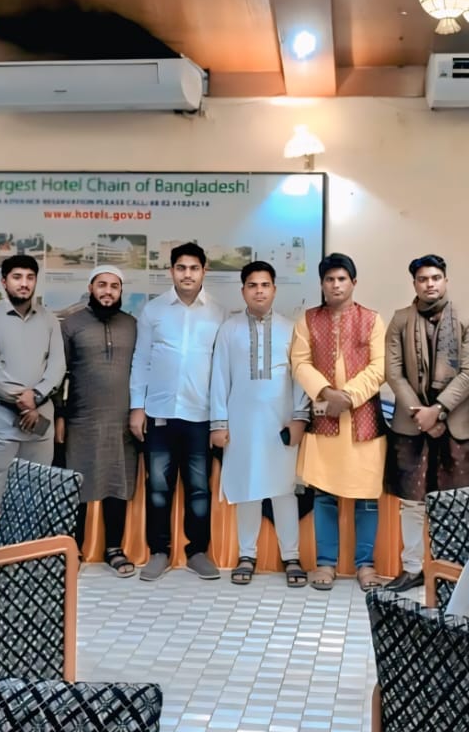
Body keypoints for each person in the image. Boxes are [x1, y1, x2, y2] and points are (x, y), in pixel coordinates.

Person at [384, 254, 469, 592]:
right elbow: (394, 373)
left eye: (436, 278)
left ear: (446, 280)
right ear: (414, 283)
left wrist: (438, 411)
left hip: (459, 425)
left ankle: (454, 574)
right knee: (412, 502)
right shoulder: (400, 319)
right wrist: (422, 415)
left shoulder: (468, 318)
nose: (430, 284)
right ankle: (412, 568)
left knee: (456, 502)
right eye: (423, 279)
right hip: (412, 425)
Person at [290, 253, 388, 592]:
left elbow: (379, 367)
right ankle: (325, 564)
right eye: (329, 279)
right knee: (324, 495)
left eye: (342, 279)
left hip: (363, 422)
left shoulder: (372, 319)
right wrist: (326, 393)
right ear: (321, 284)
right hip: (324, 420)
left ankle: (366, 566)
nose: (336, 285)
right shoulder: (308, 320)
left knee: (366, 498)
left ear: (353, 282)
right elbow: (300, 363)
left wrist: (348, 396)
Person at [130, 242, 225, 581]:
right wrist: (137, 407)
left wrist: (220, 418)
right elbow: (141, 360)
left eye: (194, 268)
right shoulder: (153, 311)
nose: (187, 274)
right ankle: (159, 552)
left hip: (201, 415)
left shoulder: (218, 313)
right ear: (171, 271)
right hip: (160, 413)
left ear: (204, 271)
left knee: (199, 489)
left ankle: (197, 551)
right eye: (181, 268)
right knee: (158, 487)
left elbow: (222, 371)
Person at [210, 261, 309, 587]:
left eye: (265, 285)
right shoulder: (229, 330)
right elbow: (219, 379)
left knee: (284, 490)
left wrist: (299, 418)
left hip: (280, 424)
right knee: (247, 488)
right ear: (243, 291)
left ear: (274, 290)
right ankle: (247, 555)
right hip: (241, 424)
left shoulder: (291, 329)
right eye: (252, 285)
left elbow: (300, 378)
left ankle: (291, 556)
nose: (259, 291)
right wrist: (218, 424)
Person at [61, 265, 141, 576]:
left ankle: (114, 549)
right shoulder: (71, 324)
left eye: (114, 286)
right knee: (78, 483)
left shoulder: (132, 325)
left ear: (121, 291)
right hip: (82, 417)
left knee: (116, 482)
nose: (108, 291)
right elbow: (60, 374)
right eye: (102, 285)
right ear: (90, 288)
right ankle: (74, 549)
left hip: (122, 420)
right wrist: (60, 416)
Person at [0, 254, 66, 515]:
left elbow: (57, 366)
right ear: (4, 282)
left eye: (30, 277)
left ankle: (30, 544)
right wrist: (25, 401)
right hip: (0, 417)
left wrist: (35, 397)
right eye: (17, 277)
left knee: (37, 492)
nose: (24, 283)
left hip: (40, 418)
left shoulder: (49, 320)